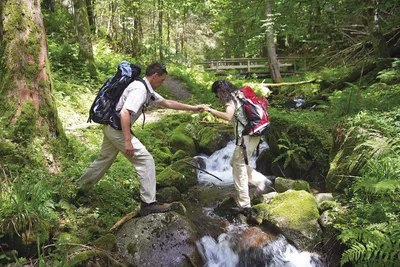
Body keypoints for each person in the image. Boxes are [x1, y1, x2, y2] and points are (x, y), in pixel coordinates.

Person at [76, 62, 205, 216]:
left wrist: (194, 107)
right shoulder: (139, 89)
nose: (162, 84)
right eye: (162, 80)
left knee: (104, 159)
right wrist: (127, 140)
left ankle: (78, 188)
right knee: (146, 161)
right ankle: (148, 203)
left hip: (112, 128)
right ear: (155, 75)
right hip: (117, 129)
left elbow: (168, 103)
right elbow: (125, 113)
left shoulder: (146, 89)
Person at [202, 80, 270, 215]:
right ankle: (262, 181)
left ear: (220, 91)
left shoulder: (231, 101)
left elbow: (228, 116)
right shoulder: (241, 96)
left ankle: (245, 205)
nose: (218, 97)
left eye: (217, 94)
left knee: (239, 170)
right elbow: (239, 119)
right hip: (254, 135)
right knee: (235, 163)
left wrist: (209, 110)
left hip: (246, 139)